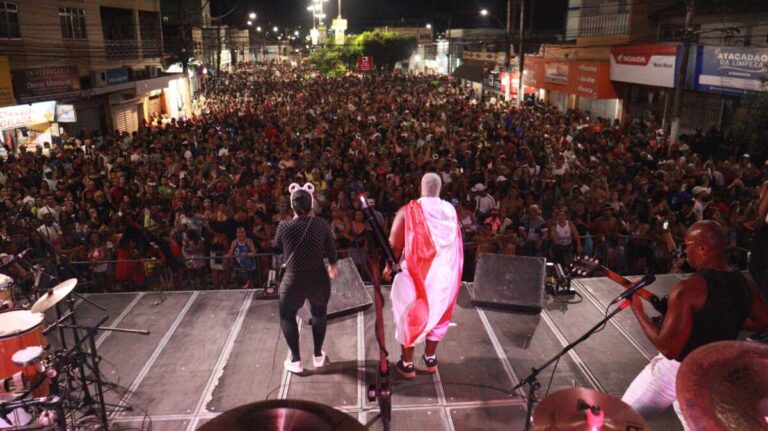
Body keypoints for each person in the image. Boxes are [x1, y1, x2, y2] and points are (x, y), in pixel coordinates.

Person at [621, 220, 768, 427]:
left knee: (623, 418)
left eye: (687, 245)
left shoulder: (688, 289)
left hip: (676, 370)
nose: (685, 252)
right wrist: (724, 320)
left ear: (702, 248)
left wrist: (638, 310)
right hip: (711, 373)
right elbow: (763, 320)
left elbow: (668, 348)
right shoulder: (745, 283)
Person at [385, 173, 463, 379]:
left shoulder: (408, 210)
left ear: (421, 188)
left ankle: (407, 364)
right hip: (446, 276)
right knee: (439, 315)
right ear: (439, 189)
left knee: (408, 316)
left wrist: (388, 266)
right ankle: (430, 358)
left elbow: (394, 245)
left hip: (416, 276)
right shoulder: (450, 210)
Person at [274, 183, 338, 374]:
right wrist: (332, 265)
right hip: (318, 277)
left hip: (293, 279)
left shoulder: (284, 226)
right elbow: (332, 249)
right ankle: (318, 355)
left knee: (287, 315)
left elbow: (277, 248)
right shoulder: (320, 224)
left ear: (292, 206)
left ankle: (295, 360)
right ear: (311, 205)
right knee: (319, 313)